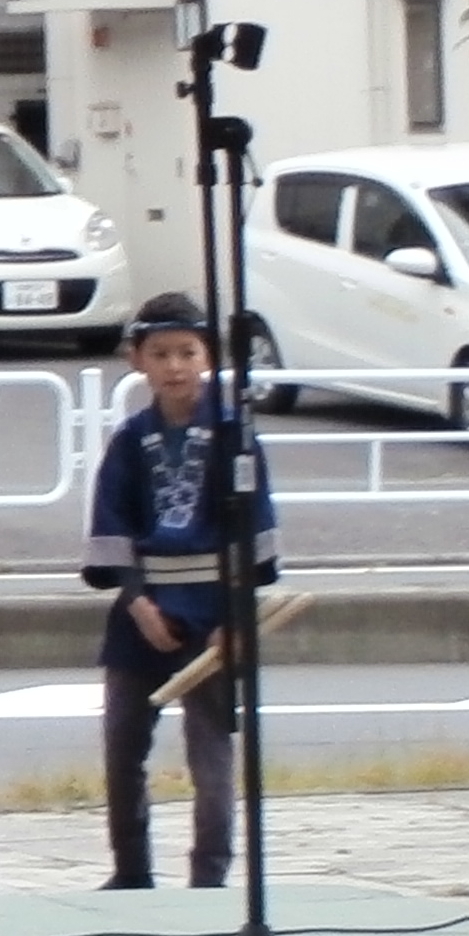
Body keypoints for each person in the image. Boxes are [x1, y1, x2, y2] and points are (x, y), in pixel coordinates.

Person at [81, 290, 279, 891]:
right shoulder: (129, 439)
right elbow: (112, 531)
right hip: (141, 612)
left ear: (207, 356)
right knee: (122, 746)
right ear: (137, 359)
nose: (175, 366)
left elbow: (253, 532)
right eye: (160, 352)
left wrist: (237, 616)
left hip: (215, 610)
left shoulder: (233, 435)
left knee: (212, 757)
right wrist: (137, 602)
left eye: (187, 352)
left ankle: (210, 877)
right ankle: (131, 870)